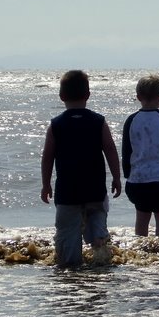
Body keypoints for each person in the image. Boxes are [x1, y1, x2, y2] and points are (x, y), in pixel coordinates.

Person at [40, 70, 122, 267]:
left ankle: (71, 269)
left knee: (67, 235)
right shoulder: (98, 122)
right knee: (97, 229)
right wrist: (117, 178)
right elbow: (110, 150)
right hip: (95, 190)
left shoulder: (56, 125)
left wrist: (45, 184)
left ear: (61, 97)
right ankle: (100, 257)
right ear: (88, 95)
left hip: (67, 193)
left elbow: (47, 156)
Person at [121, 75, 159, 237]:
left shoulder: (131, 120)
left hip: (137, 181)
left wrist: (127, 174)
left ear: (138, 97)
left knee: (141, 219)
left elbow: (126, 150)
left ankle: (141, 253)